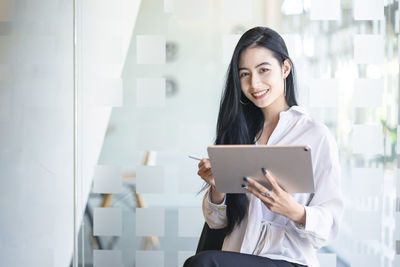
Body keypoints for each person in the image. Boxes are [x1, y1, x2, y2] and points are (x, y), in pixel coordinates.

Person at [183, 27, 344, 267]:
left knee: (204, 263)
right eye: (244, 74)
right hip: (235, 256)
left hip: (288, 260)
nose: (254, 83)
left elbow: (330, 224)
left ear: (285, 69)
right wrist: (218, 191)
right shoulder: (238, 132)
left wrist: (293, 211)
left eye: (263, 70)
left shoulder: (314, 135)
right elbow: (217, 225)